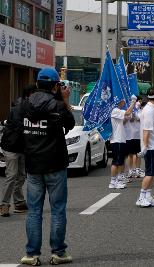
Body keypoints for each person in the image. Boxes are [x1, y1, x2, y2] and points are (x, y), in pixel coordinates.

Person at [21, 68, 75, 265]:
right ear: (55, 86)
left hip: (33, 165)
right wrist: (65, 100)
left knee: (34, 210)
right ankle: (58, 252)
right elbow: (70, 123)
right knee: (57, 209)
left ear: (36, 84)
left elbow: (18, 131)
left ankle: (31, 254)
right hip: (55, 164)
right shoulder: (57, 105)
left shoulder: (24, 105)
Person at [0, 84, 36, 217]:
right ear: (29, 95)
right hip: (11, 146)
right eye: (35, 94)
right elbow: (21, 127)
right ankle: (4, 205)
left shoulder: (31, 108)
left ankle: (19, 203)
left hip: (22, 147)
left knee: (21, 176)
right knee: (12, 175)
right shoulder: (17, 108)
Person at [136, 87, 154, 208]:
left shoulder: (153, 108)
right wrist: (145, 147)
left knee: (152, 173)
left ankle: (148, 195)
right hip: (151, 147)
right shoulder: (149, 111)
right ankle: (141, 197)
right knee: (149, 173)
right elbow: (146, 131)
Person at [109, 98, 136, 189]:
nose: (124, 102)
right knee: (116, 162)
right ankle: (113, 182)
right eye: (123, 100)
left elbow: (124, 120)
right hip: (117, 139)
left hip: (120, 139)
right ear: (118, 101)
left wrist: (130, 113)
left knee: (119, 161)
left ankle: (116, 180)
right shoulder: (114, 110)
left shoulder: (117, 111)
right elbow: (127, 113)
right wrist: (133, 103)